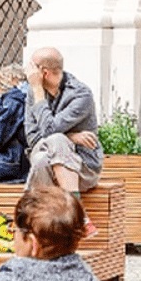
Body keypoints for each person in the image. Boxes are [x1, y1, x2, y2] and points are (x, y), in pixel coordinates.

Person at [23, 47, 103, 234]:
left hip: (82, 169)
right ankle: (78, 216)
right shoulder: (31, 92)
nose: (27, 72)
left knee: (54, 142)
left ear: (43, 72)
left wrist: (37, 90)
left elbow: (49, 130)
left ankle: (28, 223)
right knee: (44, 156)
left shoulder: (80, 95)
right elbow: (33, 138)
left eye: (31, 68)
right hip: (45, 162)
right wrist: (72, 137)